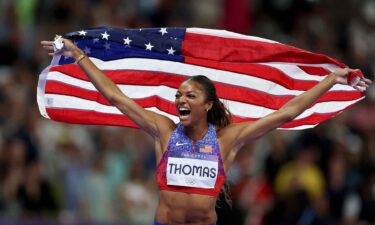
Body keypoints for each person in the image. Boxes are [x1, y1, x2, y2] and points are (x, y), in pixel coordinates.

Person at [41, 37, 371, 225]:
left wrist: (329, 81)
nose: (180, 99)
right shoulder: (163, 131)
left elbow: (287, 112)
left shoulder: (229, 138)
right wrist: (80, 55)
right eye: (178, 95)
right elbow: (114, 96)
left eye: (190, 95)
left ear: (208, 105)